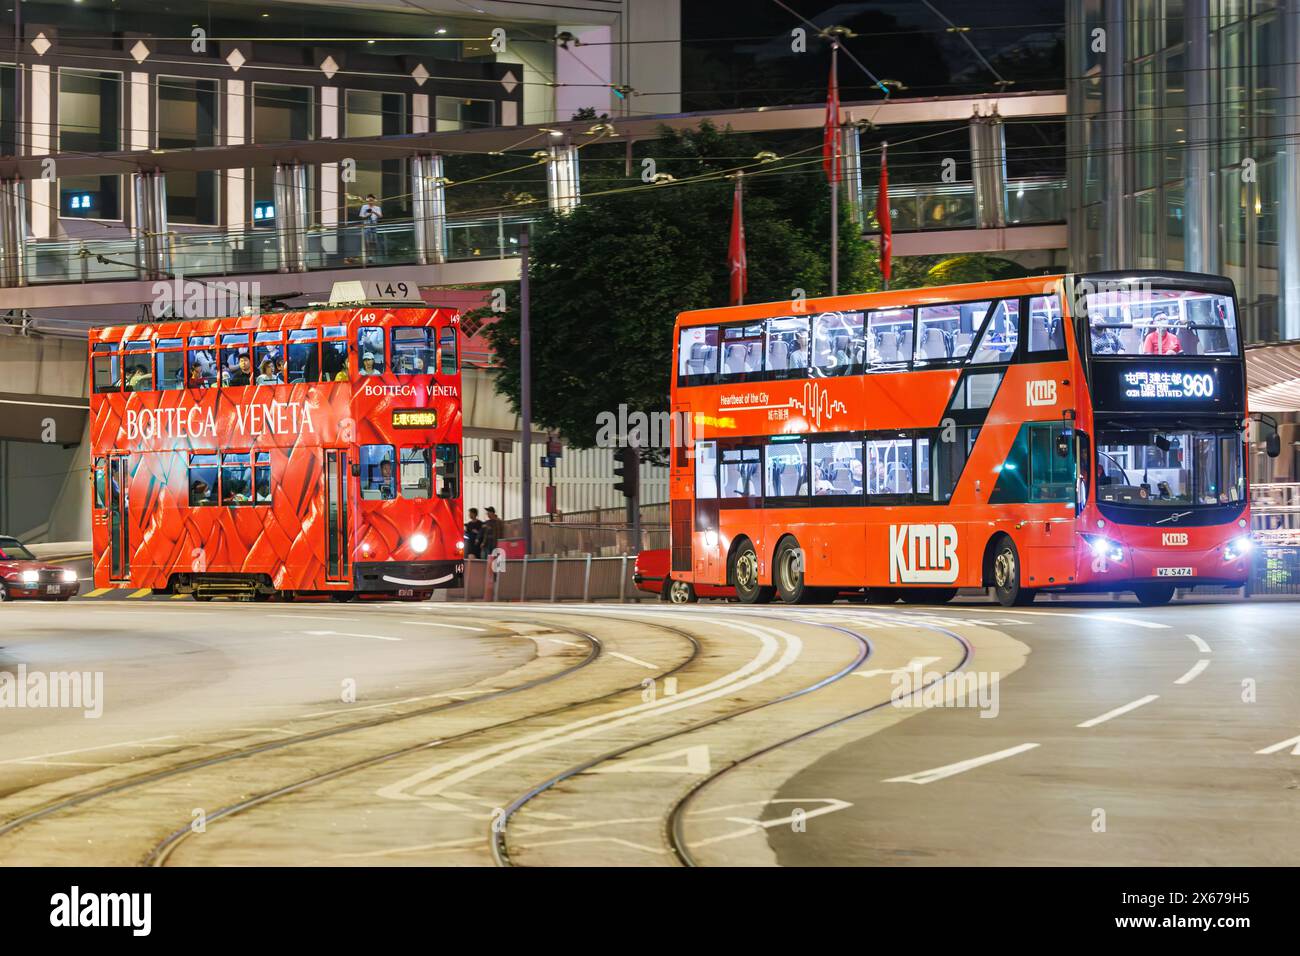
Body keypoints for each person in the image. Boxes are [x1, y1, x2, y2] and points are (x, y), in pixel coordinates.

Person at [359, 193, 383, 257]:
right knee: (367, 242)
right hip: (366, 226)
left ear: (374, 200)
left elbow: (380, 216)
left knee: (374, 241)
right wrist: (368, 214)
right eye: (369, 200)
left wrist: (373, 212)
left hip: (374, 225)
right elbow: (361, 217)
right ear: (367, 200)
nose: (370, 201)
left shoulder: (377, 208)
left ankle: (374, 256)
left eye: (372, 200)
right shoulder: (364, 207)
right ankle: (368, 257)